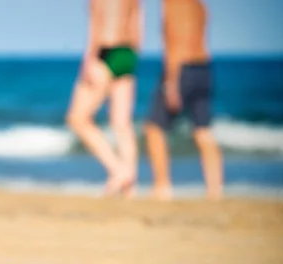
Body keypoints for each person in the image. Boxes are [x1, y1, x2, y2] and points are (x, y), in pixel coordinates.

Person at [144, 0, 223, 200]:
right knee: (203, 130)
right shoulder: (199, 5)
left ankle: (162, 186)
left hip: (182, 68)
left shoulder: (173, 3)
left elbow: (175, 37)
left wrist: (171, 80)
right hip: (203, 67)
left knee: (154, 127)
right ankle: (215, 189)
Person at [66, 0, 142, 197]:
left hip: (105, 50)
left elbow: (97, 24)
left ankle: (119, 170)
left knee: (77, 118)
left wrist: (89, 59)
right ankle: (129, 189)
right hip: (128, 53)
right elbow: (138, 29)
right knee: (122, 123)